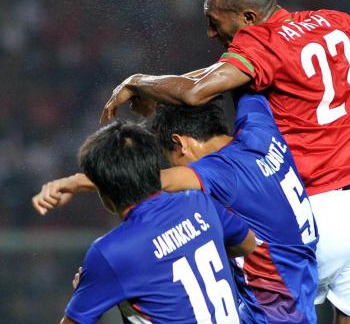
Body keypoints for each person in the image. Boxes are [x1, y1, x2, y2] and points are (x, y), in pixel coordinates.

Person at [98, 0, 350, 324]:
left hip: (310, 214)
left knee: (202, 288)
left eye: (216, 21)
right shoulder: (334, 23)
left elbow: (200, 91)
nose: (211, 32)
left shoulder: (261, 41)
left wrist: (138, 81)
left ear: (248, 17)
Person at [35, 93, 319, 324]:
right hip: (306, 280)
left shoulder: (111, 252)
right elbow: (246, 244)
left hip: (276, 310)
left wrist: (76, 181)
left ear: (179, 143)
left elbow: (162, 181)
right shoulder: (205, 199)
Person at [60, 120, 256, 324]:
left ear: (104, 193)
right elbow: (247, 243)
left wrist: (94, 289)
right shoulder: (199, 202)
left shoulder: (111, 252)